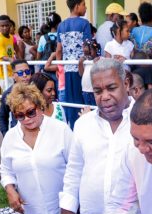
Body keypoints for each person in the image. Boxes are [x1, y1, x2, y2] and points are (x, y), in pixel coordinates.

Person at [60, 58, 147, 214]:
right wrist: (68, 206)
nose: (104, 96)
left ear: (126, 84)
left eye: (111, 88)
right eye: (98, 91)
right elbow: (74, 169)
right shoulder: (83, 124)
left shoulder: (144, 121)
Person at [0, 83, 72, 214]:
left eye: (30, 112)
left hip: (63, 213)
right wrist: (10, 190)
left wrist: (70, 206)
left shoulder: (61, 130)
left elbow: (75, 169)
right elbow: (6, 170)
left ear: (40, 107)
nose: (26, 119)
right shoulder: (10, 137)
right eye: (20, 115)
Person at [56, 0, 91, 129]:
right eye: (84, 5)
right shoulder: (84, 24)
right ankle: (83, 130)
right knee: (83, 101)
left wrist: (61, 68)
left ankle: (72, 129)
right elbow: (87, 48)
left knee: (71, 102)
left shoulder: (61, 26)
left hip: (67, 70)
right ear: (77, 6)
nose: (86, 8)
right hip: (81, 70)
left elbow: (59, 50)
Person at [0, 59, 31, 136]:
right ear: (13, 75)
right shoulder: (8, 94)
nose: (25, 75)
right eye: (20, 73)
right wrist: (5, 135)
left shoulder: (37, 89)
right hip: (17, 135)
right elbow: (2, 116)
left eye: (27, 71)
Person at [79, 38, 99, 106]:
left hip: (95, 91)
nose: (88, 54)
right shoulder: (86, 61)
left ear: (96, 50)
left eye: (90, 51)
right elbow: (81, 74)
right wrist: (80, 63)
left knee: (96, 109)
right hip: (85, 90)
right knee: (89, 110)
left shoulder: (100, 59)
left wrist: (96, 62)